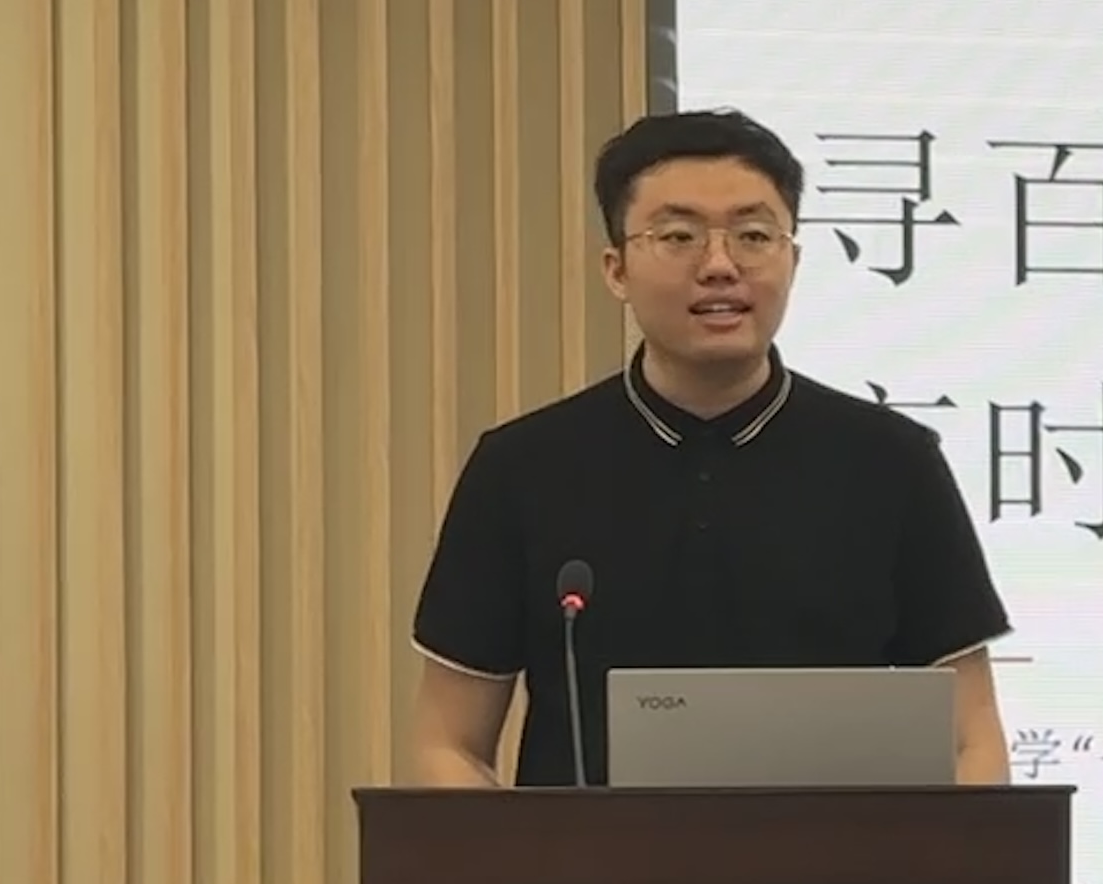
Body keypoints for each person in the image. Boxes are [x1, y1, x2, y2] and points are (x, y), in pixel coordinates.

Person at [405, 107, 1013, 787]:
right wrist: (522, 858)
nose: (720, 265)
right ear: (616, 270)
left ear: (793, 260)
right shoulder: (522, 468)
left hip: (840, 858)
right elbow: (448, 744)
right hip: (590, 862)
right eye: (678, 236)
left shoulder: (891, 463)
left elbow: (972, 741)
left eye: (753, 235)